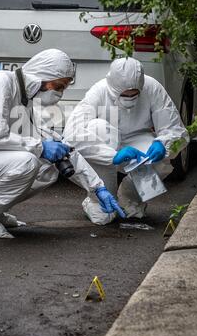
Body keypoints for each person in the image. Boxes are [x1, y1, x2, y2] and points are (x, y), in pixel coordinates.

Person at [0, 49, 124, 238]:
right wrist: (40, 147)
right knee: (27, 162)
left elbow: (58, 146)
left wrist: (97, 188)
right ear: (42, 76)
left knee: (49, 167)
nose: (60, 93)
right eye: (58, 86)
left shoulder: (23, 101)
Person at [64, 56, 190, 221]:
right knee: (97, 128)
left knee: (160, 161)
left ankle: (131, 198)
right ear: (112, 87)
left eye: (135, 94)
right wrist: (111, 155)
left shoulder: (152, 87)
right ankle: (98, 198)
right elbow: (71, 136)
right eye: (124, 94)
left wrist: (163, 143)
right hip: (106, 144)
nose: (130, 98)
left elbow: (176, 129)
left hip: (138, 140)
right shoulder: (99, 91)